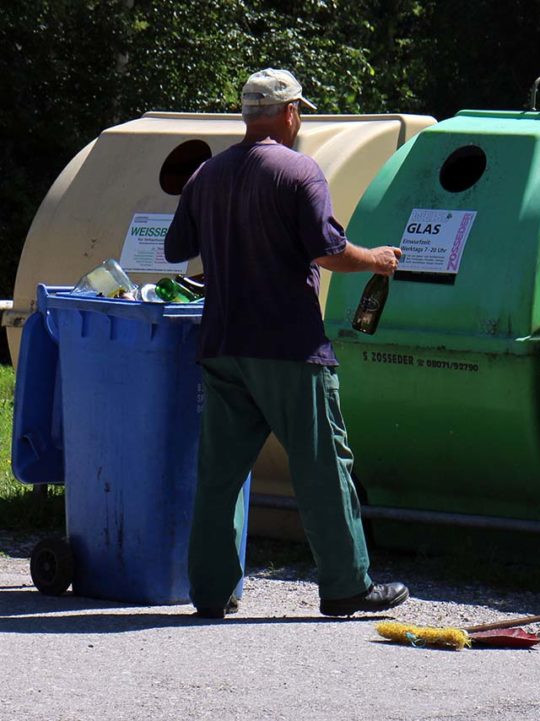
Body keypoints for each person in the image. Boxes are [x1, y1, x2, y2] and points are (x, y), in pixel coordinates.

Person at [164, 68, 408, 619]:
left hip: (223, 345)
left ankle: (209, 591)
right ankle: (347, 585)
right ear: (292, 113)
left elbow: (178, 247)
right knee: (323, 466)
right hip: (290, 349)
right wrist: (376, 260)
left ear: (248, 116)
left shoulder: (206, 175)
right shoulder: (299, 171)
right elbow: (327, 252)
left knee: (221, 475)